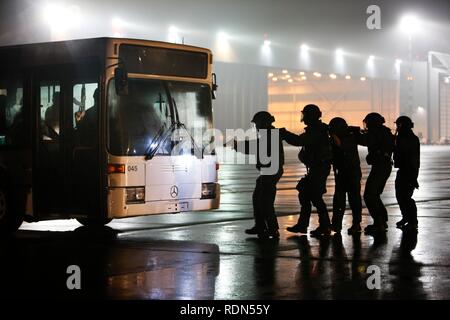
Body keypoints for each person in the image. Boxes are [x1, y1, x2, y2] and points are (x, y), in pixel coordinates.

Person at [227, 111, 285, 239]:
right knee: (258, 199)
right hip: (268, 172)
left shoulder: (270, 135)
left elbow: (256, 147)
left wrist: (240, 145)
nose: (256, 127)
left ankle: (272, 229)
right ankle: (261, 226)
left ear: (263, 123)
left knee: (265, 202)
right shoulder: (269, 134)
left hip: (270, 173)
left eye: (257, 124)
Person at [283, 104, 332, 237]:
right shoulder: (316, 129)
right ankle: (304, 225)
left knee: (315, 198)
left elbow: (299, 141)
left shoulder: (316, 130)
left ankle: (324, 226)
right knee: (304, 194)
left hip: (319, 169)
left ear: (310, 116)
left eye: (305, 115)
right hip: (316, 168)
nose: (303, 118)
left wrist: (284, 133)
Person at [358, 112, 394, 234]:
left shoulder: (377, 132)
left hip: (380, 166)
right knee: (374, 194)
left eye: (368, 123)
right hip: (384, 165)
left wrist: (353, 135)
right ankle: (382, 221)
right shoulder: (384, 131)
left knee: (369, 195)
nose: (366, 125)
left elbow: (365, 141)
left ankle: (379, 223)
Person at [328, 117, 363, 234]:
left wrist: (332, 134)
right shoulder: (336, 138)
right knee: (338, 200)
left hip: (352, 173)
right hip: (341, 173)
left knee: (354, 200)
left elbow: (341, 145)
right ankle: (336, 225)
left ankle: (356, 224)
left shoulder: (349, 137)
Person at [393, 116, 420, 232]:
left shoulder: (408, 138)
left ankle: (413, 222)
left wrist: (412, 177)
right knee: (400, 196)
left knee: (406, 198)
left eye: (398, 125)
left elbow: (409, 158)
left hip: (408, 171)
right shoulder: (405, 137)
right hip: (404, 170)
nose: (396, 128)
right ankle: (406, 218)